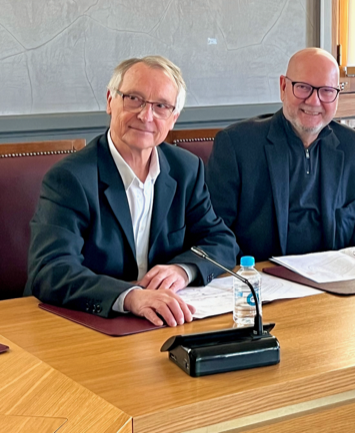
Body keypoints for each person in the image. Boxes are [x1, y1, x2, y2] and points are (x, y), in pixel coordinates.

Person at [26, 56, 239, 326]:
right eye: (134, 99)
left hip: (162, 322)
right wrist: (129, 297)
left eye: (161, 106)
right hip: (86, 324)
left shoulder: (185, 169)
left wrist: (183, 270)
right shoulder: (70, 178)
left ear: (173, 118)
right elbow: (51, 270)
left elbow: (221, 241)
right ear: (110, 101)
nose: (146, 116)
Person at [206, 47, 355, 261]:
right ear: (283, 87)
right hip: (261, 274)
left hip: (335, 275)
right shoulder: (237, 145)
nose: (314, 101)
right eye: (303, 87)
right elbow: (215, 233)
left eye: (326, 90)